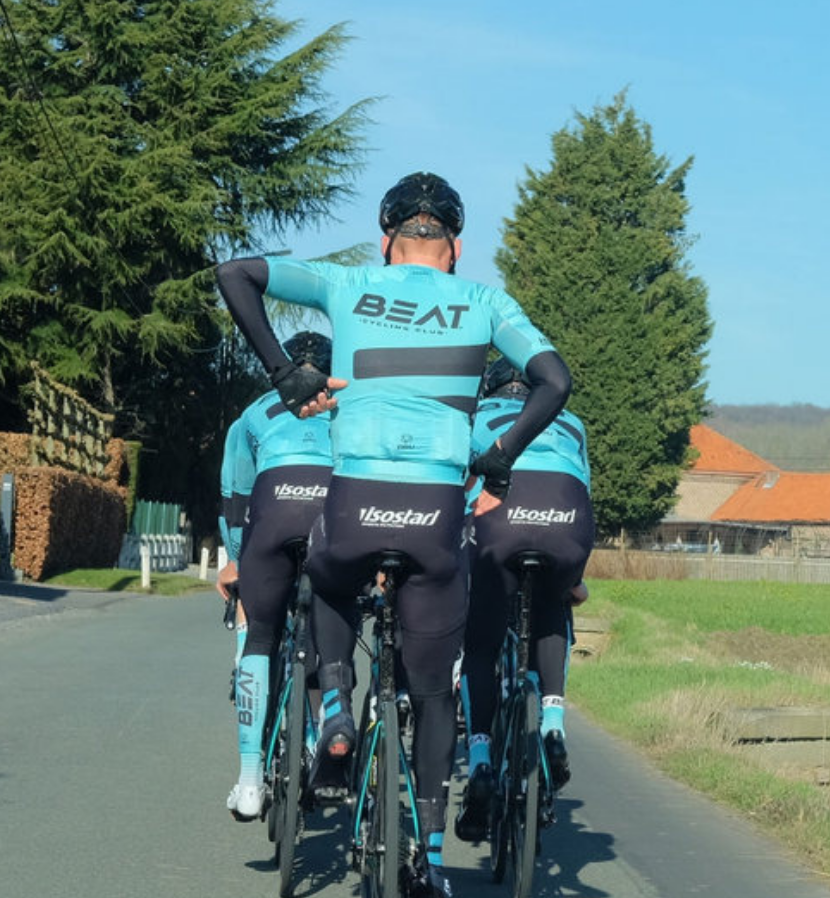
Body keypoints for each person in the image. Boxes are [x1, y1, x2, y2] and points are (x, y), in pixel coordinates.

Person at [215, 172, 572, 898]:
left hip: (354, 506)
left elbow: (235, 273)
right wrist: (499, 459)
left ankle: (338, 709)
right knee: (434, 690)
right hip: (435, 517)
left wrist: (285, 374)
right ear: (456, 248)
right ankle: (431, 858)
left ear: (386, 242)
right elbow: (555, 382)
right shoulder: (484, 302)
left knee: (329, 582)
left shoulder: (347, 286)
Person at [454, 359, 595, 843]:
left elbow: (456, 495)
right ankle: (552, 723)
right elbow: (585, 488)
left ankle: (478, 761)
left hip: (500, 521)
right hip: (567, 517)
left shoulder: (472, 417)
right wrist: (574, 578)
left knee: (480, 643)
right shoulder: (570, 422)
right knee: (559, 603)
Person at [214, 331, 334, 821]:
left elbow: (234, 499)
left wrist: (239, 561)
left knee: (259, 635)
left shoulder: (253, 413)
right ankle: (327, 737)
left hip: (271, 515)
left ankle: (248, 781)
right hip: (333, 520)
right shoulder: (343, 406)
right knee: (334, 629)